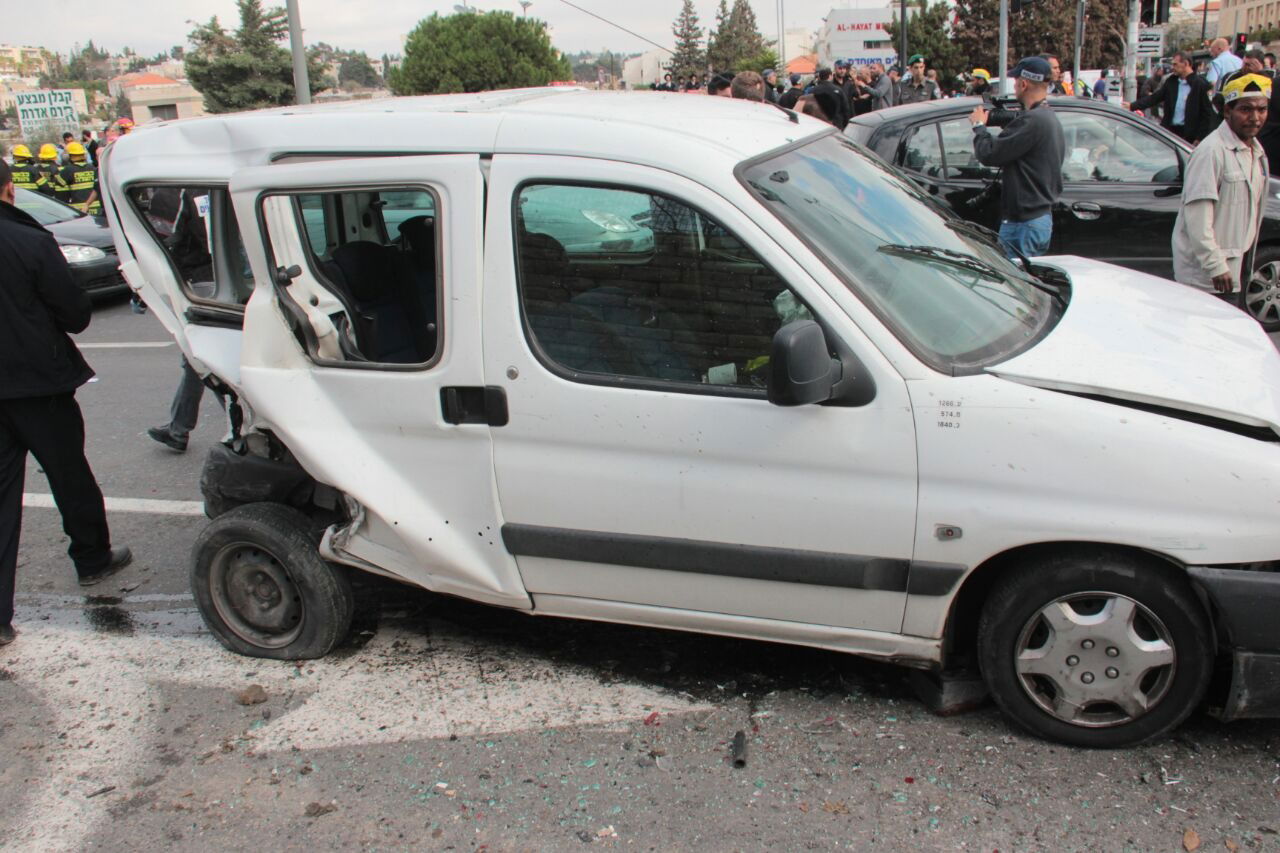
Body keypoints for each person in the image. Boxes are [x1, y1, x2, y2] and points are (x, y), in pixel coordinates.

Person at [0, 160, 133, 646]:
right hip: (40, 384)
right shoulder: (30, 241)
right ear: (9, 189)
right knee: (68, 473)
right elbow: (76, 316)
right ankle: (92, 559)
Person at [1172, 74, 1270, 298]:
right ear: (1227, 112)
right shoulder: (1211, 152)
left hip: (1233, 270)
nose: (1255, 117)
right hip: (1209, 279)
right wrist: (1215, 265)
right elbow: (1197, 219)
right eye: (1246, 109)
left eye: (1261, 110)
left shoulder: (1256, 151)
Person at [969, 56, 1066, 258]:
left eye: (1015, 82)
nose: (1014, 87)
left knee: (1014, 286)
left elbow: (989, 153)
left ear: (1024, 83)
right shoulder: (1046, 117)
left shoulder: (1033, 121)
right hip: (1034, 219)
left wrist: (979, 127)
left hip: (1024, 224)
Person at [1128, 51, 1213, 144]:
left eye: (1175, 64)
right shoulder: (1171, 82)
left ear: (1186, 64)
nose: (1173, 68)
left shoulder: (1199, 85)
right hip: (1170, 133)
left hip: (1189, 136)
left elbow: (1207, 114)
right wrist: (1132, 106)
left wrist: (1199, 138)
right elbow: (1154, 98)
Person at [60, 143, 100, 214]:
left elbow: (61, 194)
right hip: (97, 209)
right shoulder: (93, 168)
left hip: (78, 211)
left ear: (70, 156)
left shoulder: (66, 171)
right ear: (84, 155)